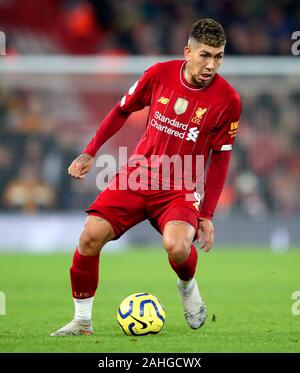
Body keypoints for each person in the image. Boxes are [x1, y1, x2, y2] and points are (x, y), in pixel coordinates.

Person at [51, 18, 242, 336]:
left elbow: (221, 156)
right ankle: (82, 322)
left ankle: (187, 286)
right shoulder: (158, 74)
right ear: (188, 52)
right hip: (137, 176)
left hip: (179, 186)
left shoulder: (229, 101)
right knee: (89, 237)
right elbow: (121, 109)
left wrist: (206, 214)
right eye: (205, 55)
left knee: (177, 247)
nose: (211, 64)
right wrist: (91, 151)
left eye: (219, 56)